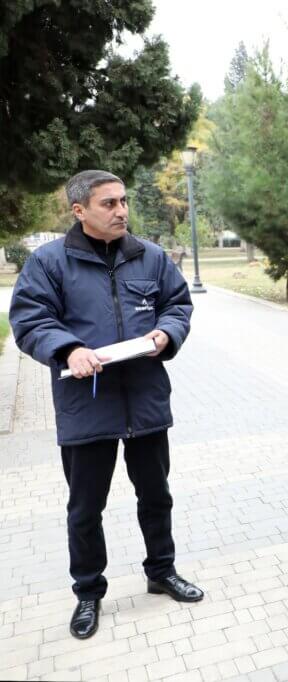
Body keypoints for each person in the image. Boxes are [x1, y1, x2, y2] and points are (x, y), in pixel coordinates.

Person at [9, 170, 204, 640]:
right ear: (80, 211)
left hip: (145, 401)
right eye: (109, 203)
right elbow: (30, 319)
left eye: (123, 201)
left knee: (156, 496)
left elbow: (178, 305)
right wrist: (68, 349)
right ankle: (88, 592)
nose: (121, 211)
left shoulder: (150, 256)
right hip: (86, 405)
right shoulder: (49, 263)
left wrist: (167, 333)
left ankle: (162, 571)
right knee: (85, 509)